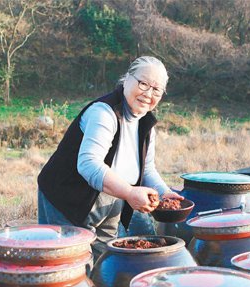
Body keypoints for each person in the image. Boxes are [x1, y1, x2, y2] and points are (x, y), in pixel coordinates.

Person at [37, 56, 182, 257]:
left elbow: (146, 169)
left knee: (105, 261)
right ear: (127, 79)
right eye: (143, 83)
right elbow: (89, 164)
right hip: (68, 196)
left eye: (156, 89)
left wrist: (165, 193)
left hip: (111, 196)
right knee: (69, 262)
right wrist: (130, 193)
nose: (148, 93)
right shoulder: (104, 113)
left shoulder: (146, 124)